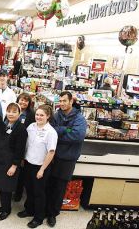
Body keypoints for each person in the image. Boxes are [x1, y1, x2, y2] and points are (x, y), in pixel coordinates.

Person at [46, 91, 87, 227]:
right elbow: (50, 130)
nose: (62, 103)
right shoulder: (57, 115)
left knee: (60, 187)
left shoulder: (79, 118)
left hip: (68, 159)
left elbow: (77, 136)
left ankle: (53, 214)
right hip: (53, 157)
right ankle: (46, 209)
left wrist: (59, 133)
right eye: (60, 101)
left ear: (71, 102)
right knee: (49, 184)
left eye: (65, 101)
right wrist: (66, 129)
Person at [18, 105, 58, 228]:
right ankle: (29, 209)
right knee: (29, 189)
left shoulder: (51, 132)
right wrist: (23, 159)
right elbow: (27, 145)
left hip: (41, 167)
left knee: (39, 193)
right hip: (29, 163)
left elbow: (51, 152)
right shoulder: (31, 127)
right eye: (37, 114)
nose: (38, 117)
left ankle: (38, 217)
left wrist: (42, 169)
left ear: (48, 116)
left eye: (42, 115)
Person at [0, 103, 28, 221]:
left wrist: (14, 166)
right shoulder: (4, 125)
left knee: (7, 186)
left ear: (19, 114)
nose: (11, 114)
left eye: (14, 112)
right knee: (1, 184)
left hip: (10, 162)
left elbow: (20, 150)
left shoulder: (21, 129)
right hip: (1, 158)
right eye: (9, 111)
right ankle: (3, 206)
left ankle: (6, 210)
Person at [14, 92, 35, 202]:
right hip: (12, 142)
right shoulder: (13, 109)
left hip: (24, 144)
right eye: (21, 99)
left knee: (21, 170)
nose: (23, 102)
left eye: (26, 100)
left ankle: (18, 192)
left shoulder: (31, 114)